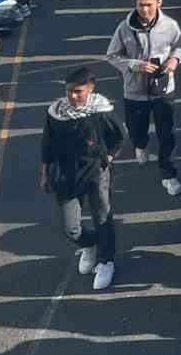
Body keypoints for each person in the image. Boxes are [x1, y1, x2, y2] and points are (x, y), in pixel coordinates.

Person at [39, 66, 126, 291]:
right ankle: (90, 244)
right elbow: (47, 144)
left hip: (96, 173)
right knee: (71, 229)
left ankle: (106, 261)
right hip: (66, 175)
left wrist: (108, 156)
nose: (73, 96)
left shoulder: (101, 111)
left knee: (102, 218)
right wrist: (45, 172)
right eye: (69, 91)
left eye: (78, 91)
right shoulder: (56, 113)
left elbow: (119, 136)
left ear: (90, 88)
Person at [103, 0, 181, 197]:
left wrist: (174, 60)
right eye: (140, 5)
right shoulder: (124, 28)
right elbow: (112, 56)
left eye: (149, 4)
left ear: (159, 3)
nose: (144, 9)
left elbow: (180, 45)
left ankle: (169, 175)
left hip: (163, 89)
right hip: (135, 91)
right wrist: (135, 65)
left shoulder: (170, 26)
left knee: (166, 134)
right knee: (135, 130)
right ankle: (141, 145)